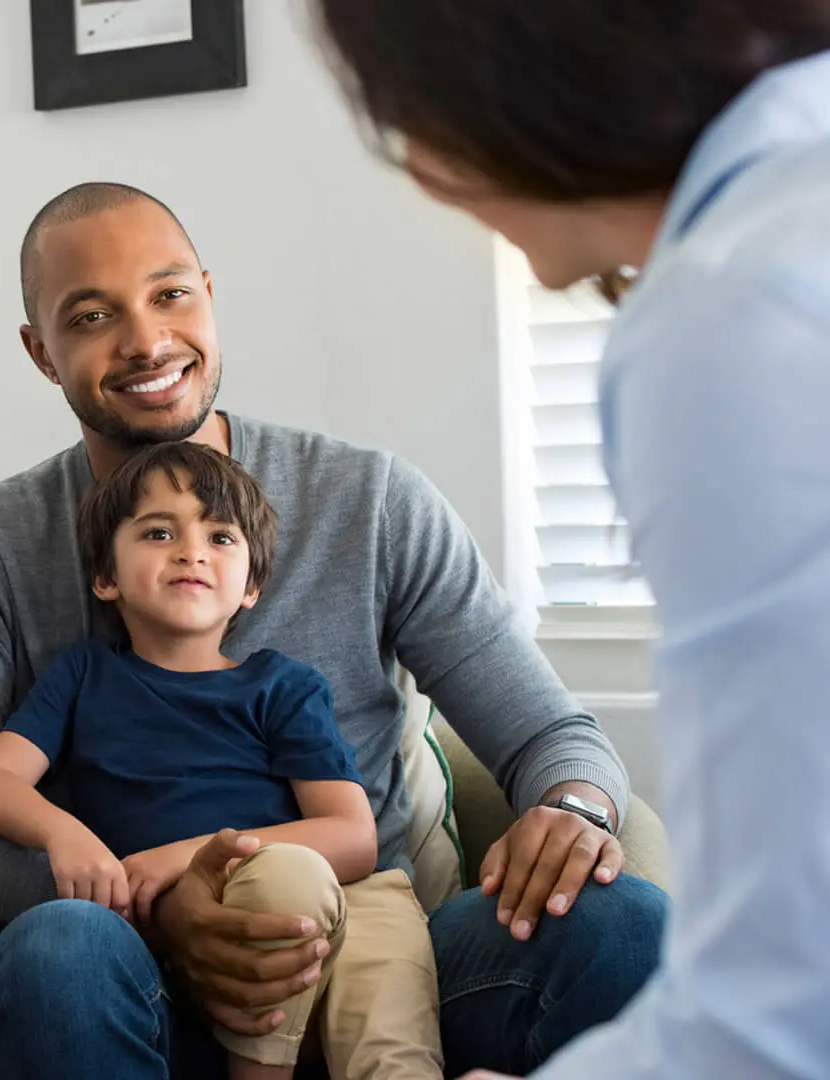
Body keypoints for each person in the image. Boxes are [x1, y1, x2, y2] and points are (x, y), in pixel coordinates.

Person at [0, 180, 668, 1078]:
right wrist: (155, 905)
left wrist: (571, 807)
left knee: (625, 926)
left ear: (209, 294)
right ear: (41, 352)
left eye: (170, 295)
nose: (146, 340)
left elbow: (553, 736)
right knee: (58, 951)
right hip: (127, 970)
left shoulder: (370, 502)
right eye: (91, 316)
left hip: (373, 954)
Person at [310, 4, 830, 1079]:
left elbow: (778, 1008)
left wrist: (574, 802)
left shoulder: (730, 315)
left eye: (407, 114)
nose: (420, 176)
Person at [0, 441, 441, 1080]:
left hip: (315, 909)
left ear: (252, 587)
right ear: (105, 576)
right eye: (159, 532)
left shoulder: (282, 686)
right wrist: (64, 835)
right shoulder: (82, 676)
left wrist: (176, 858)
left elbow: (352, 838)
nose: (191, 551)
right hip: (158, 966)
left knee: (322, 920)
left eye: (220, 537)